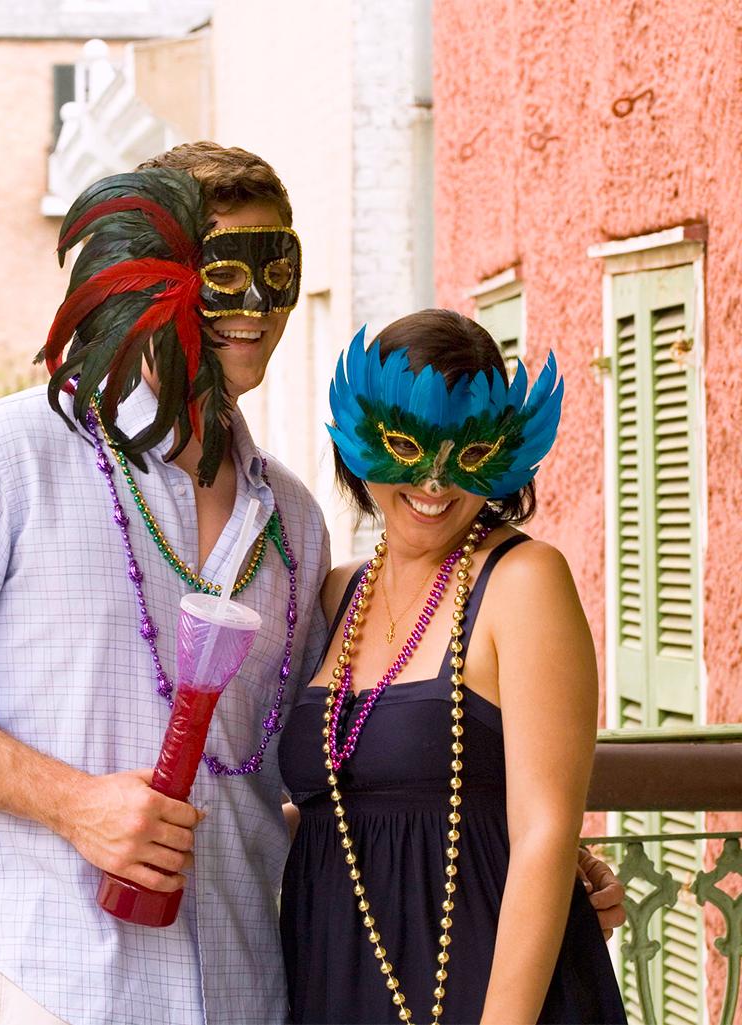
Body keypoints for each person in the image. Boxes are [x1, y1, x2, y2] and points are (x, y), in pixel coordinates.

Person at [0, 143, 624, 1025]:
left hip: (250, 990)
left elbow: (312, 768)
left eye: (275, 273)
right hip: (51, 979)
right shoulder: (4, 456)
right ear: (151, 274)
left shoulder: (293, 522)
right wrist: (76, 804)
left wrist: (509, 848)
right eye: (223, 274)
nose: (255, 306)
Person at [278, 311, 627, 1024]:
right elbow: (330, 808)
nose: (432, 480)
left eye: (466, 454)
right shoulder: (332, 593)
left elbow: (543, 831)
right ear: (358, 440)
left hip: (484, 989)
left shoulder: (524, 579)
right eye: (406, 444)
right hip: (336, 975)